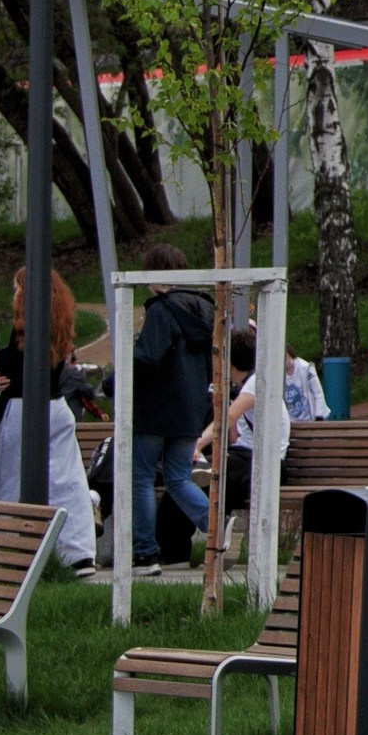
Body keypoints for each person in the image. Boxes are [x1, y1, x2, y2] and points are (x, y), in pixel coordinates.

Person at [0, 267, 97, 567]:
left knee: (6, 479)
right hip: (57, 407)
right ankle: (78, 553)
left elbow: (13, 363)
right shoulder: (59, 322)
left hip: (23, 408)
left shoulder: (25, 327)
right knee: (68, 483)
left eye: (16, 289)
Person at [129, 244, 216, 575]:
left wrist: (115, 379)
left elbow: (148, 358)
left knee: (141, 478)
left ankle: (146, 554)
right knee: (178, 477)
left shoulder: (161, 310)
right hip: (192, 409)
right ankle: (215, 527)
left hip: (155, 409)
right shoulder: (206, 309)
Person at [196, 329, 282, 517]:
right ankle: (218, 525)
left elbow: (228, 418)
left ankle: (216, 526)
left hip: (261, 463)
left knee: (198, 477)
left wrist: (198, 445)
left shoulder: (256, 382)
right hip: (253, 460)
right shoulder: (252, 383)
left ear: (230, 363)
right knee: (201, 476)